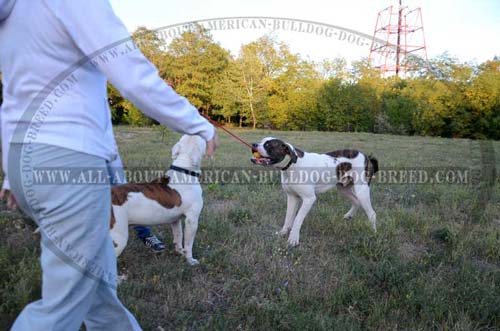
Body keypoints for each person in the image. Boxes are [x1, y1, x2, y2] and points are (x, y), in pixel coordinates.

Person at [0, 0, 218, 330]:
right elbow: (131, 73)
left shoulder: (17, 12)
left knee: (99, 290)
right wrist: (196, 123)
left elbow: (14, 96)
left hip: (27, 160)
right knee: (61, 308)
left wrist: (12, 171)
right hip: (69, 162)